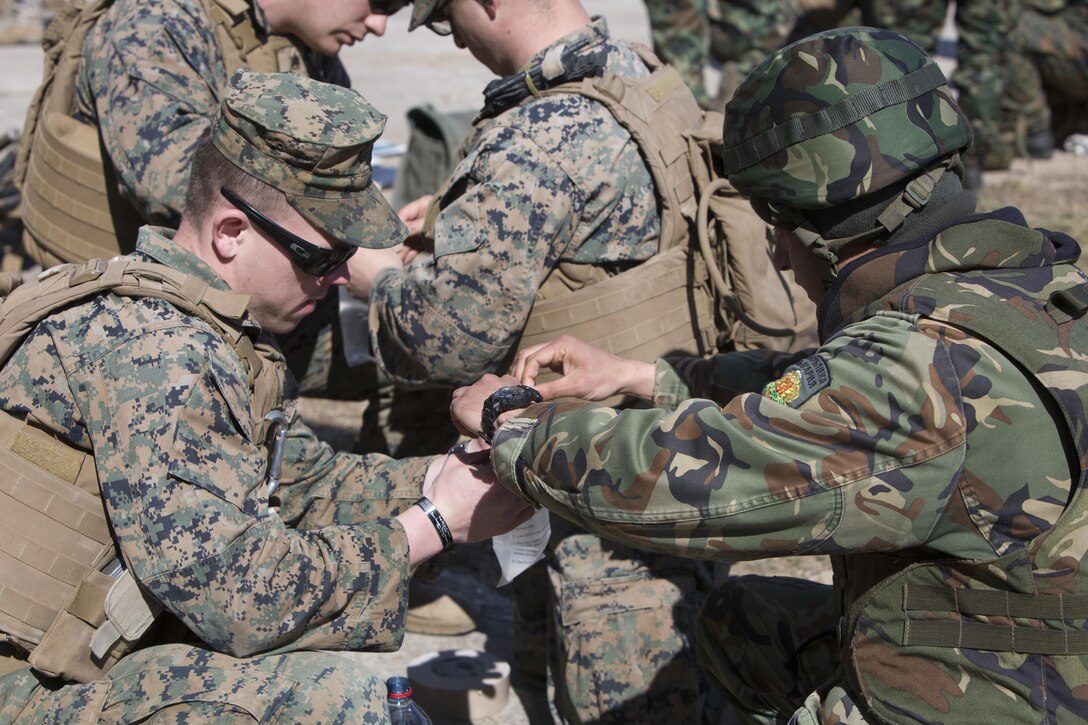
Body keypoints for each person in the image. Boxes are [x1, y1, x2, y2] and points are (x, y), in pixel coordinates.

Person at [453, 25, 1088, 723]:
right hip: (1044, 650)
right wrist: (651, 377)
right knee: (750, 621)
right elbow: (818, 391)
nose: (782, 261)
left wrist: (512, 423)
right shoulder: (1029, 289)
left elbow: (692, 480)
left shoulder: (920, 372)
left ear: (819, 232)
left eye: (778, 232)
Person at [0, 70, 532, 721]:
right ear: (230, 231)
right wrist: (434, 524)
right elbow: (239, 597)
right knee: (330, 703)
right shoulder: (157, 350)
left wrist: (450, 475)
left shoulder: (219, 328)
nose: (340, 277)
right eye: (318, 258)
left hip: (80, 652)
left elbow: (304, 484)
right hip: (24, 683)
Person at [352, 0, 810, 721]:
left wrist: (379, 277)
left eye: (448, 20)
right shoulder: (640, 78)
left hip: (597, 493)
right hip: (668, 432)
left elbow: (449, 338)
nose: (459, 40)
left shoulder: (536, 134)